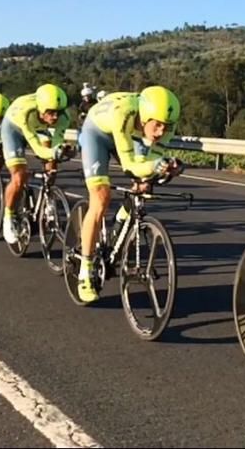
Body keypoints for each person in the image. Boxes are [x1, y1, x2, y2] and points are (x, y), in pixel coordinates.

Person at [74, 86, 183, 303]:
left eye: (167, 126)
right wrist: (154, 165)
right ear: (144, 118)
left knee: (144, 185)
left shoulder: (161, 124)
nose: (162, 131)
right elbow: (130, 164)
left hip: (127, 135)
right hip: (96, 133)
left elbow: (152, 159)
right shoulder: (124, 114)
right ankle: (85, 271)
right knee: (101, 198)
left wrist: (164, 168)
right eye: (157, 125)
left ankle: (122, 220)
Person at [0, 84, 74, 244]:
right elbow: (38, 150)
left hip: (38, 127)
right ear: (41, 109)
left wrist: (61, 151)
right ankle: (8, 216)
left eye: (58, 112)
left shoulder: (64, 117)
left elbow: (56, 144)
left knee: (53, 158)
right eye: (51, 112)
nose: (55, 117)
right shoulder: (26, 114)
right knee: (19, 176)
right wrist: (54, 152)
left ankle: (48, 198)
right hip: (14, 128)